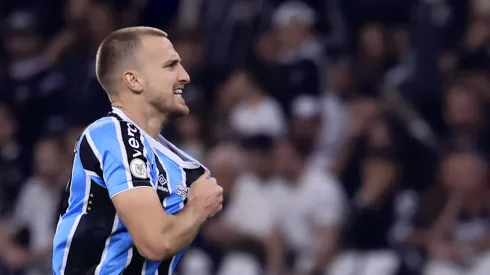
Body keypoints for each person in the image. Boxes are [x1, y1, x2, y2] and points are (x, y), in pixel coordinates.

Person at [52, 26, 224, 275]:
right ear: (134, 80)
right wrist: (198, 207)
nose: (185, 76)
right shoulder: (112, 133)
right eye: (170, 65)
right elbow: (155, 243)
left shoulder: (188, 167)